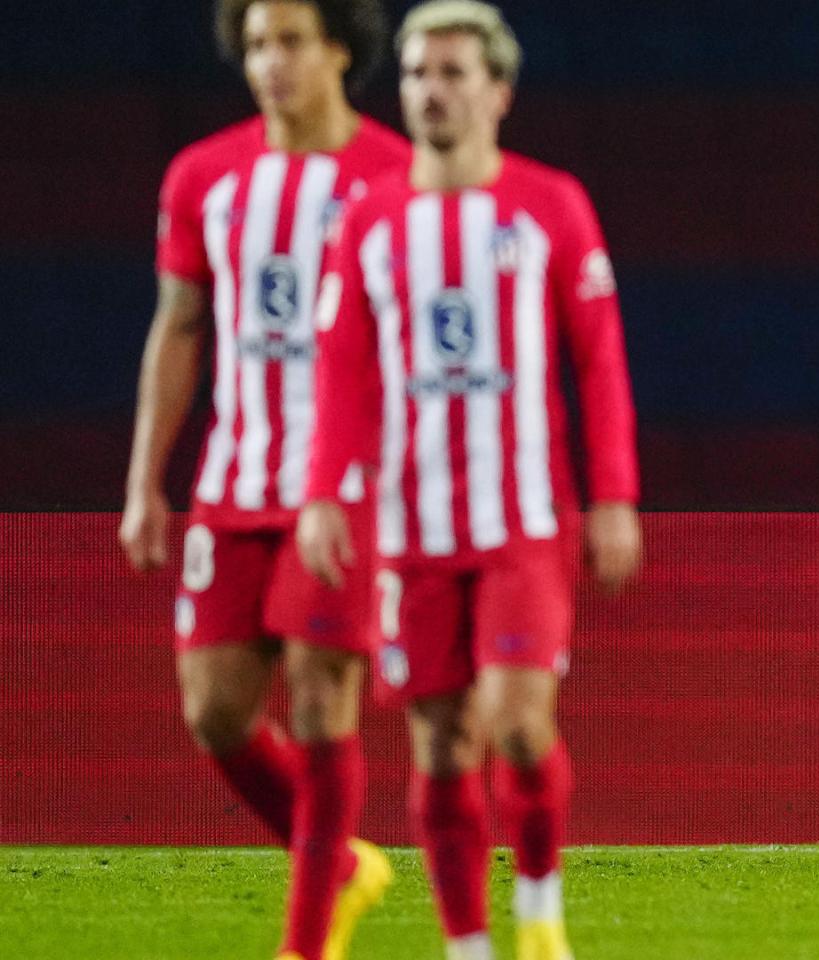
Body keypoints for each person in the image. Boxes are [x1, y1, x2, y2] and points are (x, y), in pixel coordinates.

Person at [297, 2, 642, 956]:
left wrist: (613, 497)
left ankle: (538, 919)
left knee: (518, 723)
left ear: (498, 90)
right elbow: (342, 369)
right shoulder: (367, 217)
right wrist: (326, 491)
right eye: (415, 74)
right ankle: (470, 948)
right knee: (441, 744)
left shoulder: (550, 205)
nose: (431, 91)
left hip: (523, 520)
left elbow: (599, 360)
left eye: (451, 73)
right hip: (412, 528)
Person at [118, 3, 405, 958]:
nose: (268, 64)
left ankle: (306, 942)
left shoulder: (393, 176)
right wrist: (143, 482)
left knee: (325, 705)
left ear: (338, 50)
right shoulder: (203, 175)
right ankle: (346, 864)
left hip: (350, 490)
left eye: (288, 42)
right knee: (213, 709)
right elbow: (180, 327)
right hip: (233, 480)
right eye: (254, 46)